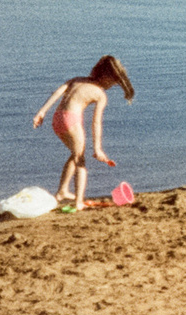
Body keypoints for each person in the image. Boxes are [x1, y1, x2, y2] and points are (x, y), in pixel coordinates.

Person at [32, 55, 133, 210]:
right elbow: (96, 122)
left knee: (75, 154)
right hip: (71, 120)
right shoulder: (100, 95)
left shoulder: (78, 79)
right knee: (81, 160)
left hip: (57, 119)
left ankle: (62, 191)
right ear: (106, 78)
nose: (112, 86)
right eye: (113, 82)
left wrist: (41, 112)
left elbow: (58, 92)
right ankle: (79, 201)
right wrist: (98, 148)